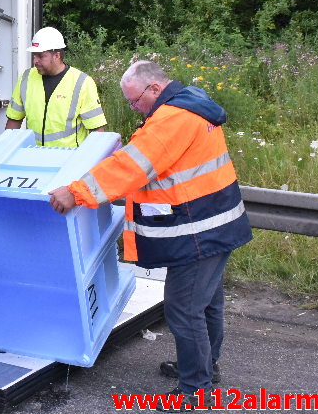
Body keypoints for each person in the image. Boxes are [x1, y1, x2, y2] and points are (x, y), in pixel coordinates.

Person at [48, 61, 252, 410]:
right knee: (205, 305)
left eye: (134, 101)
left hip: (198, 231)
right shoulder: (191, 103)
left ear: (155, 89)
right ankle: (204, 370)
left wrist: (77, 191)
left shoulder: (172, 118)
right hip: (214, 224)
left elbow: (131, 166)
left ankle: (195, 391)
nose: (133, 108)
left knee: (185, 309)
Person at [5, 26, 107, 147]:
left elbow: (97, 131)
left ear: (57, 56)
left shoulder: (82, 82)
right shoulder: (26, 78)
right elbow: (14, 120)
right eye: (34, 55)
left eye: (40, 56)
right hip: (34, 157)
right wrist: (5, 149)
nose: (35, 61)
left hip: (69, 160)